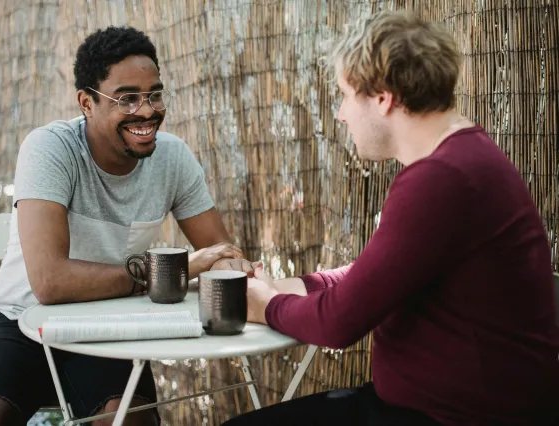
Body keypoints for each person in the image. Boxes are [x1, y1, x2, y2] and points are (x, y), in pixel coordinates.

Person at [225, 10, 559, 426]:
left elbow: (339, 323)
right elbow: (373, 277)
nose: (341, 114)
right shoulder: (458, 159)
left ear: (382, 97)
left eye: (346, 95)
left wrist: (267, 305)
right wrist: (288, 286)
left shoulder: (442, 179)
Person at [0, 26, 256, 426]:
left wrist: (226, 268)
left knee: (129, 421)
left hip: (110, 322)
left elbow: (223, 255)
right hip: (22, 319)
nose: (147, 111)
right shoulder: (50, 149)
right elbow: (50, 282)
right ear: (87, 103)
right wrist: (173, 271)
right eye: (127, 99)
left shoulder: (173, 158)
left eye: (154, 94)